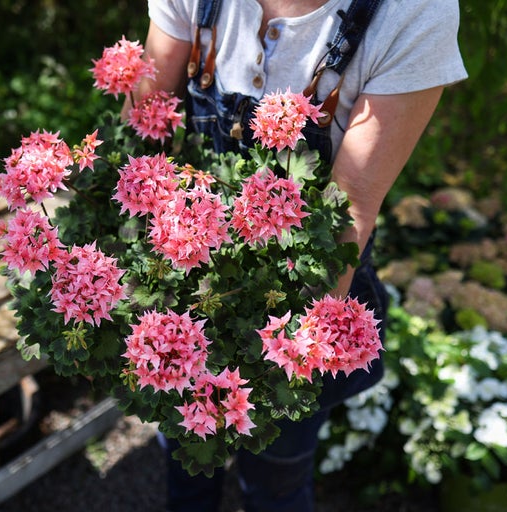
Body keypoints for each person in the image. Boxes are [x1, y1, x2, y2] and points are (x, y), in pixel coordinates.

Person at [125, 1, 468, 511]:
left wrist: (284, 364)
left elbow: (348, 210)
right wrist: (130, 283)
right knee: (184, 454)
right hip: (182, 286)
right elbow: (146, 120)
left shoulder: (414, 12)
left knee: (276, 480)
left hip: (302, 302)